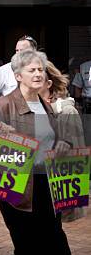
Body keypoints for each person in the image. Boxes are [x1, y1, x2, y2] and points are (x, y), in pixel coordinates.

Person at [0, 49, 76, 255]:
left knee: (47, 246)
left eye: (40, 69)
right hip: (17, 188)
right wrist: (12, 141)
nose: (38, 74)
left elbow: (54, 139)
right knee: (26, 250)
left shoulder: (45, 106)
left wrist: (63, 144)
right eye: (32, 70)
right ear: (18, 76)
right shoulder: (2, 107)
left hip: (46, 185)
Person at [40, 61, 86, 222]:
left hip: (53, 189)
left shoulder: (66, 111)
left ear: (49, 83)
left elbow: (75, 157)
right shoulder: (25, 108)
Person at [0, 35, 37, 106]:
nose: (18, 53)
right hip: (13, 113)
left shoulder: (42, 69)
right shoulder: (6, 69)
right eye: (17, 50)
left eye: (23, 50)